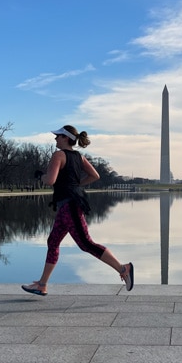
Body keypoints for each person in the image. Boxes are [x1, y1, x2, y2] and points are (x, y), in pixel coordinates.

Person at [22, 125, 134, 296]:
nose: (55, 139)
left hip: (70, 205)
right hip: (68, 204)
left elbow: (50, 180)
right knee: (53, 242)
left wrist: (40, 176)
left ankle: (123, 268)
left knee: (86, 243)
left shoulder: (58, 155)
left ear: (66, 138)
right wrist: (75, 185)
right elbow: (95, 176)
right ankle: (42, 284)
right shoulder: (79, 157)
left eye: (58, 136)